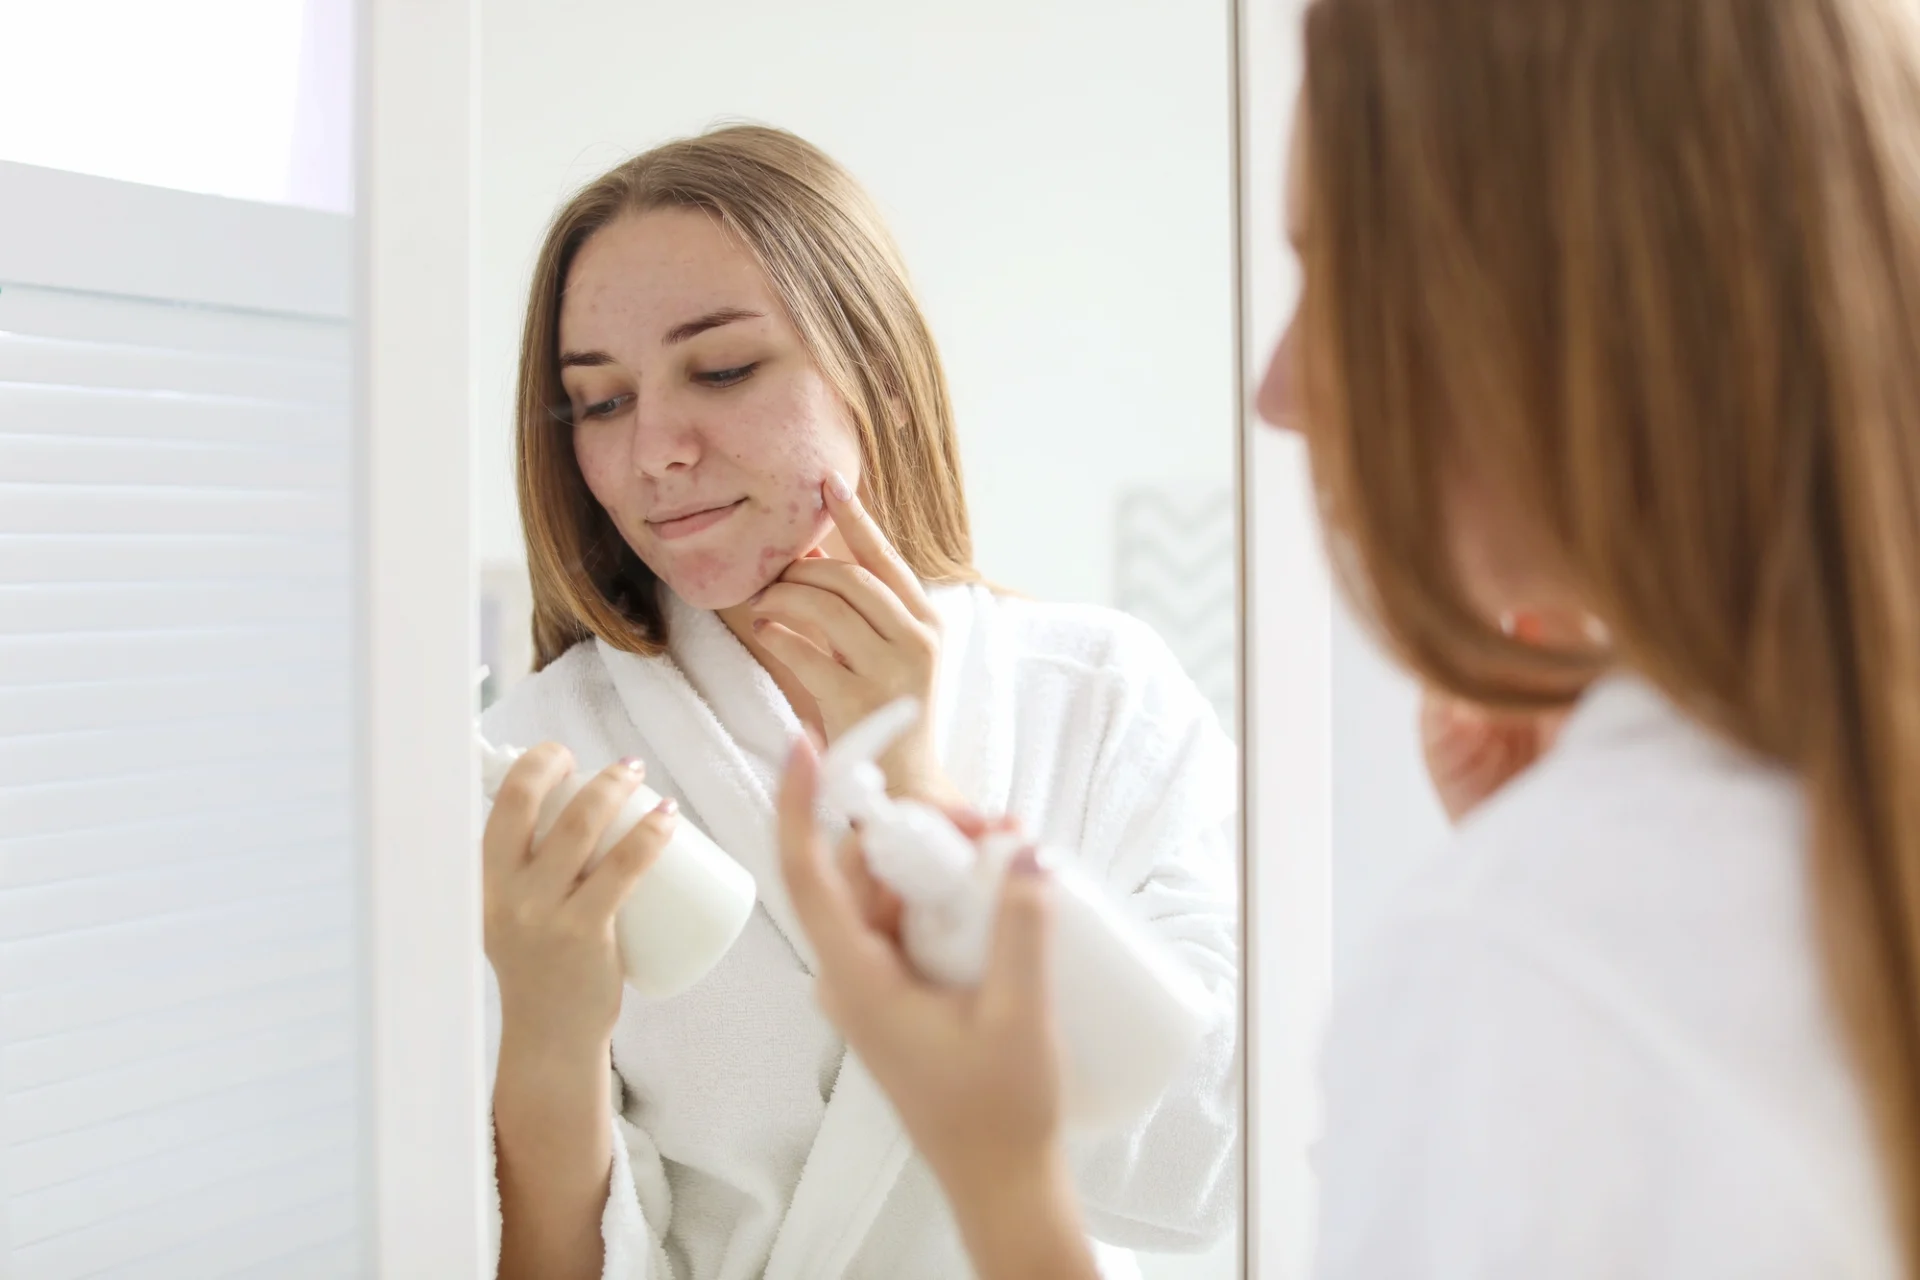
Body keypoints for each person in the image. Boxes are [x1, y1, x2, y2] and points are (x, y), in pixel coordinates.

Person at [774, 0, 1920, 1275]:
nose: (1279, 387)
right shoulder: (1673, 884)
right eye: (593, 397)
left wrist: (995, 1169)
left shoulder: (1528, 944)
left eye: (1338, 275)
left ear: (1575, 298)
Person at [478, 124, 1239, 1280]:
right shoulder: (541, 755)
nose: (657, 450)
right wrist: (548, 1030)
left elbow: (1210, 1168)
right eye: (599, 400)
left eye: (722, 368)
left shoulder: (1101, 697)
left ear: (873, 368)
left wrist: (925, 812)